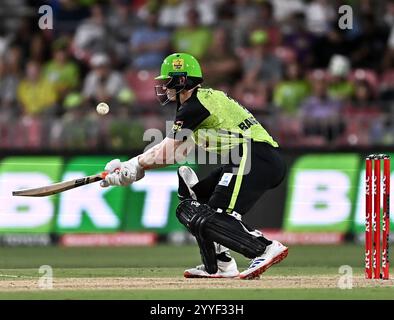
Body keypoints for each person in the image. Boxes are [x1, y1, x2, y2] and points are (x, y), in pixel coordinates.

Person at [100, 53, 288, 280]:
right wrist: (131, 167)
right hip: (246, 158)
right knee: (194, 206)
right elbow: (177, 152)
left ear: (182, 81)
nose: (164, 87)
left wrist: (135, 165)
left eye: (168, 81)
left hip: (253, 156)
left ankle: (264, 248)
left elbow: (167, 153)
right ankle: (219, 265)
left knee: (216, 215)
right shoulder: (200, 103)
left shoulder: (194, 106)